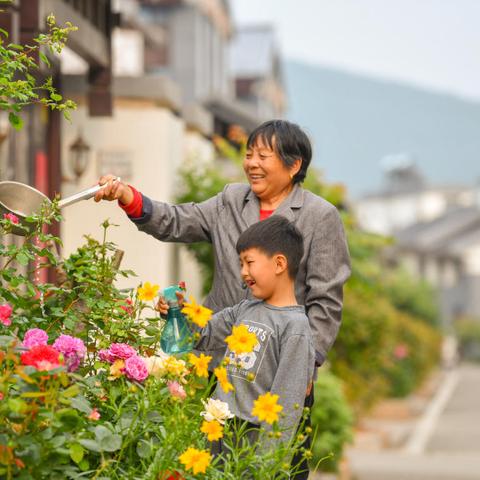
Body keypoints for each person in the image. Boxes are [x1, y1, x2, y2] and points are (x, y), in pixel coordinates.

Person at [95, 119, 351, 479]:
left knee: (276, 461)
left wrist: (308, 364)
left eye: (264, 155)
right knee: (211, 463)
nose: (252, 163)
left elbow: (327, 301)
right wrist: (128, 197)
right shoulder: (231, 199)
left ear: (294, 166)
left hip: (279, 369)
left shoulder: (319, 216)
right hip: (218, 364)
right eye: (249, 154)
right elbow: (175, 220)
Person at [194, 216, 315, 471]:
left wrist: (266, 465)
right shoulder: (244, 309)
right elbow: (203, 334)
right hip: (218, 430)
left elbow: (285, 406)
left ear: (279, 263)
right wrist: (175, 312)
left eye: (249, 262)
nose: (243, 272)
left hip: (252, 442)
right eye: (241, 264)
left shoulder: (296, 327)